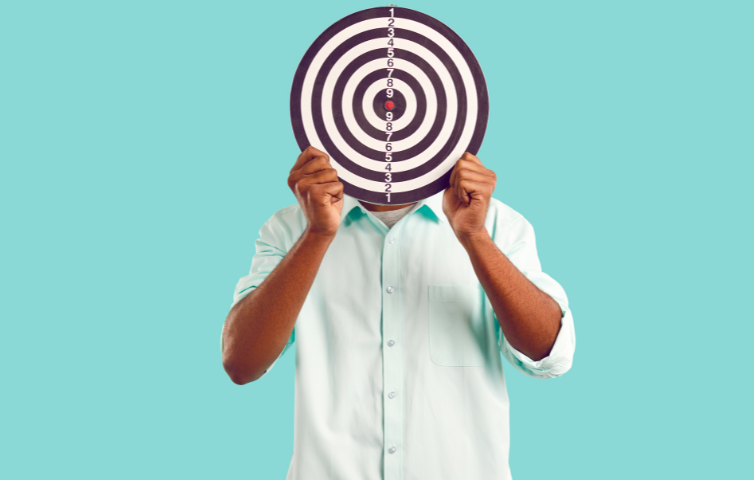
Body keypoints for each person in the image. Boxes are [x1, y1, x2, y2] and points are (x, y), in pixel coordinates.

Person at [221, 146, 575, 480]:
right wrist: (317, 234)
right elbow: (241, 363)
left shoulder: (497, 224)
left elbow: (548, 353)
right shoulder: (290, 228)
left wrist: (475, 237)